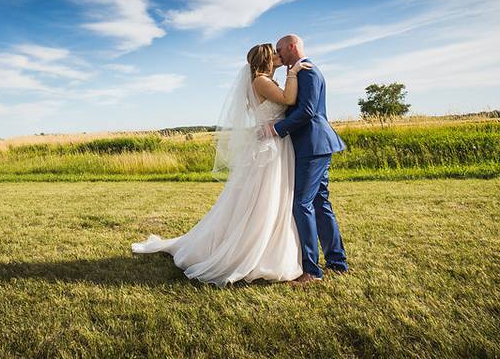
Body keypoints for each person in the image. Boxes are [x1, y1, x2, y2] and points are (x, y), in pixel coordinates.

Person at [130, 43, 309, 287]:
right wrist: (294, 71)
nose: (279, 56)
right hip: (270, 147)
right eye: (275, 54)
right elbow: (288, 98)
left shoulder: (264, 81)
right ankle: (256, 251)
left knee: (272, 197)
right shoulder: (260, 81)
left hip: (276, 143)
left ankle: (270, 246)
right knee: (264, 198)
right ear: (266, 59)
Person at [263, 34, 349, 285]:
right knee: (320, 202)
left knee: (302, 203)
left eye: (280, 49)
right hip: (315, 145)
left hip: (312, 144)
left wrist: (277, 129)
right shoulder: (298, 72)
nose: (278, 55)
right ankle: (337, 262)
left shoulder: (308, 72)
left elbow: (307, 111)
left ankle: (311, 270)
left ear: (292, 47)